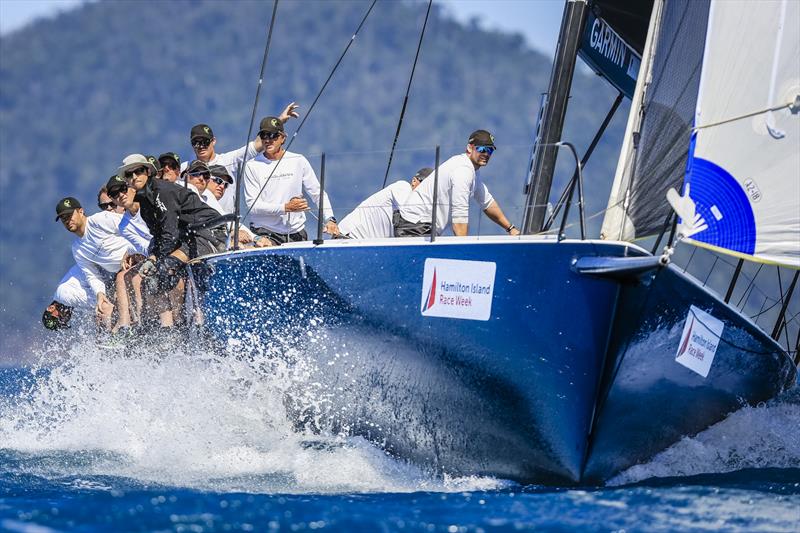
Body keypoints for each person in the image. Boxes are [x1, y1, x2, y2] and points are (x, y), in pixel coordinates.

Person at [119, 154, 229, 327]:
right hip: (187, 237)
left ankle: (178, 326)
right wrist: (152, 258)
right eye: (129, 174)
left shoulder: (162, 191)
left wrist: (156, 259)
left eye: (138, 171)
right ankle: (160, 327)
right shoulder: (145, 201)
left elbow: (169, 233)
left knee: (164, 268)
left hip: (209, 233)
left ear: (148, 171)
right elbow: (159, 237)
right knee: (152, 275)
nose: (134, 177)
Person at [395, 130, 521, 237]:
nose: (486, 154)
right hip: (415, 226)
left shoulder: (472, 172)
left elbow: (487, 203)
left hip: (420, 226)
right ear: (469, 148)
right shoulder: (463, 171)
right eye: (482, 149)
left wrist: (511, 229)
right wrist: (464, 253)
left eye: (490, 150)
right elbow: (459, 218)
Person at [243, 116, 339, 246]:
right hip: (265, 233)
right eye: (264, 135)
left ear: (283, 138)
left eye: (273, 135)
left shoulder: (298, 160)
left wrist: (330, 219)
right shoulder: (252, 165)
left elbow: (317, 193)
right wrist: (285, 208)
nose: (268, 140)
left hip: (296, 232)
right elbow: (252, 206)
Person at [188, 102, 300, 213]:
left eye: (205, 142)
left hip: (227, 224)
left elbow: (258, 144)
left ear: (213, 141)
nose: (201, 146)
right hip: (198, 224)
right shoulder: (185, 169)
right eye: (196, 143)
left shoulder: (228, 160)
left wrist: (279, 121)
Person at [55, 196, 134, 329]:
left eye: (69, 215)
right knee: (102, 307)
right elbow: (92, 275)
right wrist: (100, 294)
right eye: (63, 219)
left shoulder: (100, 220)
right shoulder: (77, 248)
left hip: (137, 259)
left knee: (121, 279)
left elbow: (134, 227)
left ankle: (125, 329)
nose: (67, 221)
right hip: (118, 273)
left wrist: (132, 252)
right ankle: (110, 343)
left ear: (81, 211)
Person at [338, 167, 432, 239]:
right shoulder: (403, 187)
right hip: (348, 238)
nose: (427, 191)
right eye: (426, 185)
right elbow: (414, 214)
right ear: (414, 181)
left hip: (364, 245)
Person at [41, 265, 92, 331]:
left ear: (51, 308)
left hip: (99, 264)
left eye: (60, 318)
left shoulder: (66, 298)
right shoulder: (62, 299)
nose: (66, 319)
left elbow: (104, 303)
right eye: (64, 322)